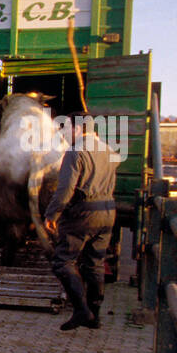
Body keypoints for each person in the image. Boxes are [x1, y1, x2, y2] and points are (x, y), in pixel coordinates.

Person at [43, 127, 118, 331]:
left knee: (63, 261)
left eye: (67, 127)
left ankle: (81, 309)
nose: (66, 132)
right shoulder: (109, 150)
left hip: (82, 213)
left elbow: (66, 188)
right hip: (108, 211)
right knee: (95, 263)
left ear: (78, 128)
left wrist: (52, 214)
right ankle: (95, 315)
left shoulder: (75, 151)